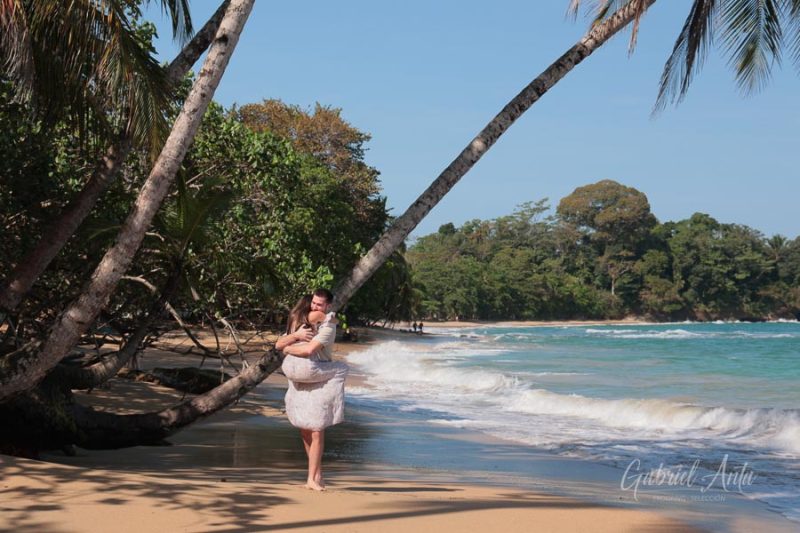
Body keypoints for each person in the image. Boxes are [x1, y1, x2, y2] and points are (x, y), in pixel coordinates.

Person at [275, 289, 348, 491]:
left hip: (304, 374)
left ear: (328, 306)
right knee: (308, 429)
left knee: (314, 429)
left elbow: (306, 349)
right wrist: (295, 336)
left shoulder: (325, 326)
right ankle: (313, 477)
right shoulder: (304, 323)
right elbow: (279, 344)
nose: (315, 307)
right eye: (313, 303)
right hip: (308, 373)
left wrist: (288, 347)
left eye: (320, 304)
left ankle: (315, 476)